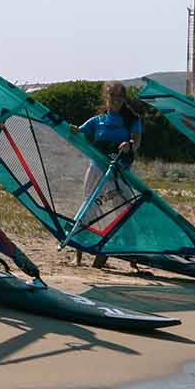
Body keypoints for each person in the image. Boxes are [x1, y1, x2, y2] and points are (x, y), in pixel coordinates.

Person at [73, 81, 143, 268]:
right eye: (113, 98)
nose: (117, 101)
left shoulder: (132, 119)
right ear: (107, 98)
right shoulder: (97, 120)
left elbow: (136, 142)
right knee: (88, 208)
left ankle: (132, 260)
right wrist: (69, 128)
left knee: (124, 212)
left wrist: (129, 144)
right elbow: (77, 131)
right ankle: (77, 255)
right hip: (97, 169)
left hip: (120, 173)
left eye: (120, 98)